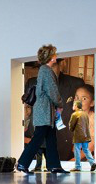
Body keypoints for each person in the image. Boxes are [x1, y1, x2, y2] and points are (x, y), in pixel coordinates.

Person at [16, 44, 69, 174]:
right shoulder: (47, 71)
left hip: (45, 111)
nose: (56, 56)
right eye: (54, 54)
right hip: (44, 111)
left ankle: (54, 165)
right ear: (51, 57)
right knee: (38, 138)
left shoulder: (43, 70)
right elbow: (52, 91)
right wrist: (60, 104)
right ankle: (22, 163)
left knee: (51, 139)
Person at [52, 58, 85, 161]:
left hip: (67, 144)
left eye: (52, 66)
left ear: (60, 64)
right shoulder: (32, 83)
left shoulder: (76, 83)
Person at [68, 100, 96, 172]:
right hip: (86, 135)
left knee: (77, 151)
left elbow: (71, 126)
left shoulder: (75, 114)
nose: (73, 106)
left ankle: (77, 167)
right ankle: (92, 163)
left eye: (74, 105)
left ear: (76, 106)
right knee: (86, 150)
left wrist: (71, 128)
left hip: (78, 136)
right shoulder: (85, 114)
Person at [73, 84, 95, 160]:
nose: (79, 101)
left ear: (92, 103)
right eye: (77, 97)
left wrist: (69, 162)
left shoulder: (93, 119)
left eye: (84, 98)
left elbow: (90, 147)